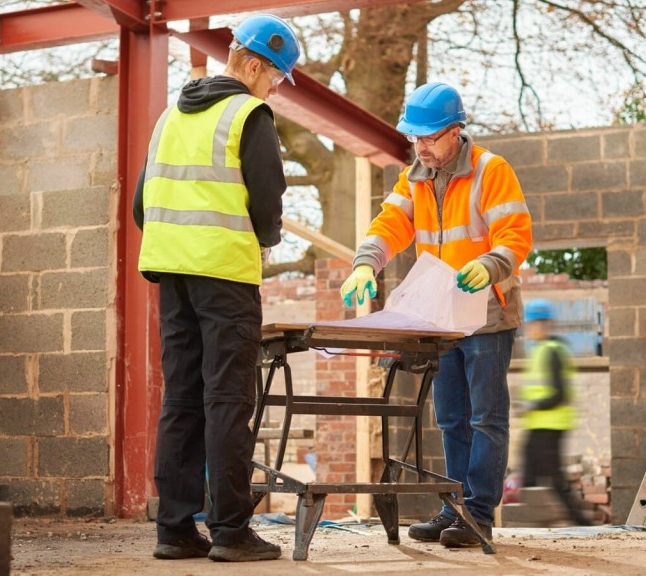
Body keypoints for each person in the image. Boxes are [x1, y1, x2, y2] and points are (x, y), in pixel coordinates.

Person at [133, 13, 301, 563]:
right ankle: (230, 530)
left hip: (171, 274)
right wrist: (265, 239)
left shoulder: (167, 120)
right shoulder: (248, 114)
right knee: (228, 397)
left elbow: (141, 207)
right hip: (224, 276)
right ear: (252, 64)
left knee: (181, 397)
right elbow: (267, 197)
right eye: (275, 74)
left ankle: (176, 529)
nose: (275, 86)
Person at [339, 82, 532, 547]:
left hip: (488, 315)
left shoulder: (491, 170)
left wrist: (489, 266)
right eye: (415, 138)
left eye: (429, 137)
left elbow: (516, 233)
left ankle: (479, 514)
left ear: (455, 131)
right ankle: (454, 507)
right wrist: (366, 263)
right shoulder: (415, 177)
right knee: (450, 418)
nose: (420, 146)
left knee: (486, 417)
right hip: (442, 320)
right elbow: (390, 225)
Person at [519, 299, 593, 526]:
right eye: (529, 324)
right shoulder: (541, 350)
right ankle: (529, 521)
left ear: (546, 324)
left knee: (553, 476)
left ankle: (582, 523)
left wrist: (533, 406)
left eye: (534, 324)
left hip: (551, 424)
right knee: (530, 471)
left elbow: (560, 393)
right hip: (539, 424)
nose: (530, 329)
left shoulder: (552, 351)